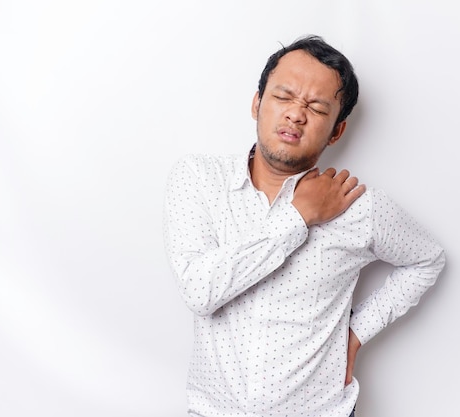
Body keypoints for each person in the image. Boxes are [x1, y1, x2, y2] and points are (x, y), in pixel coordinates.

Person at [163, 35, 445, 417]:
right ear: (256, 103)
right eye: (283, 97)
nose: (296, 114)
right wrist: (298, 216)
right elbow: (200, 291)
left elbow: (428, 260)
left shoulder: (360, 206)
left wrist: (355, 335)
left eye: (315, 106)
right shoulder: (198, 179)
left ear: (336, 131)